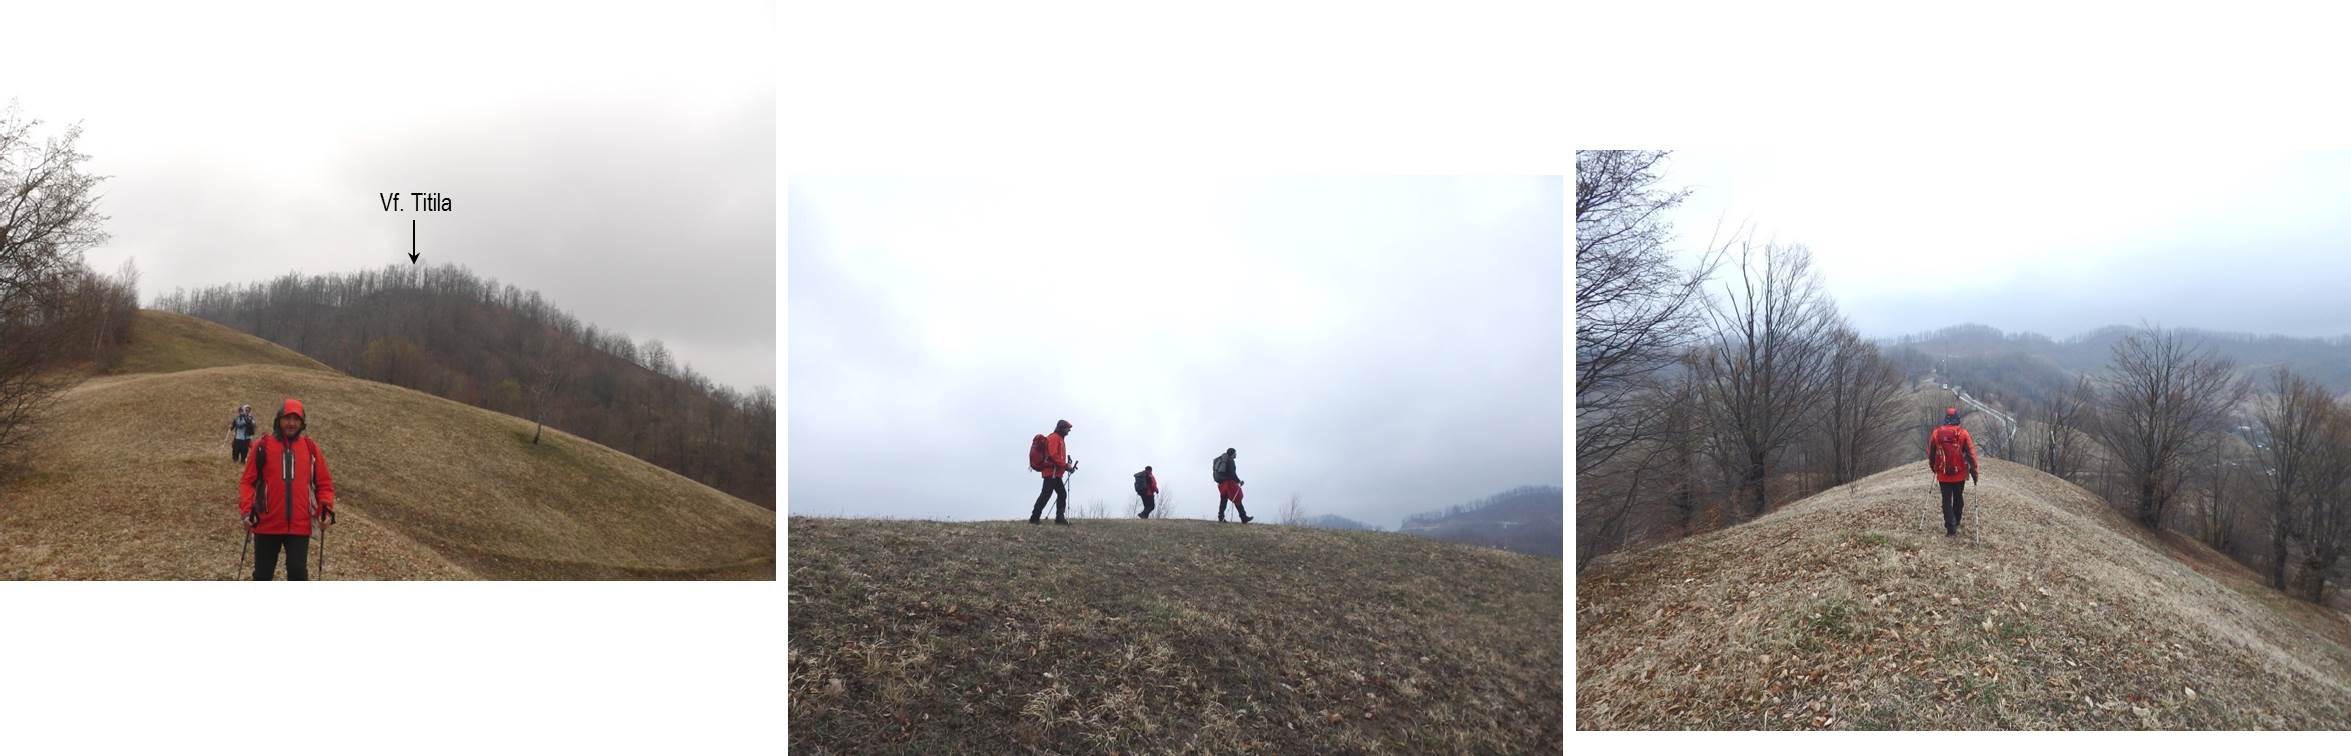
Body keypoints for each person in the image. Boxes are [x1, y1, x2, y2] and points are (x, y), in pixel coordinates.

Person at [238, 398, 337, 579]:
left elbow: (324, 483)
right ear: (279, 420)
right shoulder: (263, 445)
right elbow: (247, 482)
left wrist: (325, 509)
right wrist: (246, 511)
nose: (292, 423)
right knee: (262, 575)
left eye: (296, 419)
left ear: (302, 422)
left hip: (300, 526)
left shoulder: (310, 447)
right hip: (266, 524)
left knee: (298, 573)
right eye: (287, 418)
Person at [1926, 407, 1979, 537]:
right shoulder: (1963, 433)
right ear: (1957, 419)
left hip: (1943, 474)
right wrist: (1974, 472)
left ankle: (1951, 529)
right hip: (1959, 473)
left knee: (1946, 500)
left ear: (1945, 419)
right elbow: (1971, 454)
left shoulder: (1936, 433)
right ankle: (1956, 521)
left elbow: (1931, 453)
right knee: (1958, 497)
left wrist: (1934, 468)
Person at [1031, 419, 1076, 526]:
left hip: (1054, 472)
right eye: (1067, 429)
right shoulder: (1055, 438)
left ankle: (1057, 518)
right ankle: (1035, 518)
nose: (1069, 431)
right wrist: (1066, 466)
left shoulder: (1058, 438)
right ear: (1062, 428)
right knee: (1047, 494)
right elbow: (1053, 455)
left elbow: (1056, 457)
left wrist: (1065, 466)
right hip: (1052, 472)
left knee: (1059, 494)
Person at [1213, 447, 1252, 523]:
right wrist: (1239, 481)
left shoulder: (1223, 460)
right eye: (1235, 453)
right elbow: (1232, 474)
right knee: (1237, 499)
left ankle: (1221, 517)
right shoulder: (1230, 461)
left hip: (1221, 484)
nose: (1236, 454)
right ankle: (1244, 518)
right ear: (1232, 454)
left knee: (1223, 500)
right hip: (1229, 483)